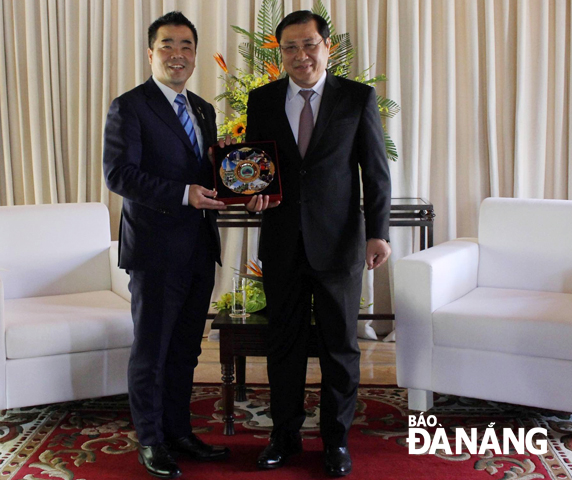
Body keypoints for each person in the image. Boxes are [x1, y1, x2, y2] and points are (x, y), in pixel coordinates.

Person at [244, 10, 392, 477]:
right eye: (290, 47)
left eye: (308, 45)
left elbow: (376, 170)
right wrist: (252, 193)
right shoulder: (262, 100)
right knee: (283, 344)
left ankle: (336, 442)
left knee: (339, 349)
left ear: (326, 47)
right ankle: (283, 436)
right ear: (280, 53)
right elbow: (254, 168)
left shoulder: (357, 98)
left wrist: (378, 233)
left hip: (341, 244)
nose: (300, 55)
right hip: (283, 243)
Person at [103, 11, 229, 479]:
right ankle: (151, 440)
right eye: (168, 45)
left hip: (199, 247)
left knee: (185, 351)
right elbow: (119, 175)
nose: (178, 55)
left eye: (186, 46)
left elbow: (209, 176)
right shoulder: (129, 106)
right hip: (156, 250)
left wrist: (246, 187)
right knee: (152, 351)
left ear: (195, 54)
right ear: (150, 52)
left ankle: (179, 431)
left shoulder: (203, 109)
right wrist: (182, 195)